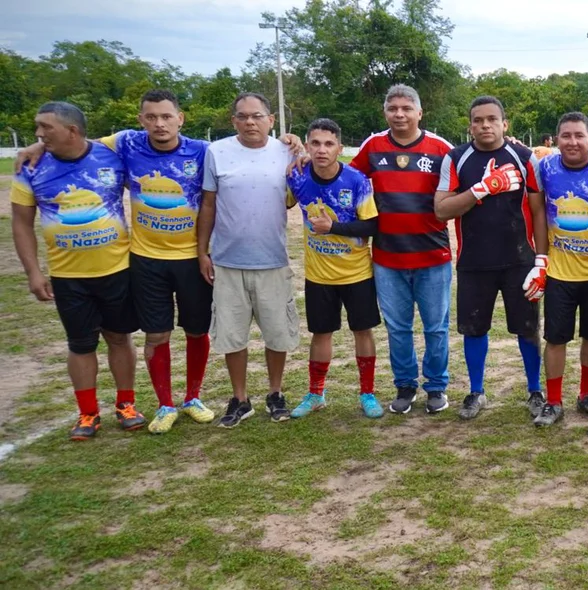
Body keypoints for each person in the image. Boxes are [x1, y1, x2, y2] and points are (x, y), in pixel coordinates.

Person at [13, 90, 220, 434]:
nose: (159, 123)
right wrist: (40, 144)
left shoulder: (202, 151)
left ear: (180, 119)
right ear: (140, 121)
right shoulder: (125, 144)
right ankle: (165, 404)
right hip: (143, 259)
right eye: (151, 117)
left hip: (191, 260)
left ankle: (193, 397)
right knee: (156, 334)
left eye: (167, 116)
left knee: (196, 331)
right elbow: (80, 139)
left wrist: (290, 142)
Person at [11, 102, 140, 441]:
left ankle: (126, 404)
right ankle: (87, 413)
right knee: (80, 344)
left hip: (117, 268)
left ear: (72, 131)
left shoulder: (112, 154)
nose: (39, 133)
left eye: (45, 127)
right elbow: (22, 223)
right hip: (68, 276)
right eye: (38, 128)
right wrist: (33, 273)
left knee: (119, 338)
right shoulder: (31, 168)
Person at [434, 95, 546, 421]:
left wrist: (542, 259)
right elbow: (441, 210)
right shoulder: (455, 159)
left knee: (528, 329)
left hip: (520, 261)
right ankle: (476, 392)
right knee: (474, 329)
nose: (485, 125)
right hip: (474, 260)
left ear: (504, 124)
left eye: (491, 119)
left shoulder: (524, 157)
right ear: (469, 125)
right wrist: (481, 189)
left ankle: (535, 390)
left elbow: (538, 212)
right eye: (478, 120)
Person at [348, 84, 454, 415]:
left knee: (436, 327)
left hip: (432, 257)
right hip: (387, 257)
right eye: (393, 108)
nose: (399, 113)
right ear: (385, 112)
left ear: (420, 113)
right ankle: (405, 386)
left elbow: (464, 188)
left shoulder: (441, 149)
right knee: (398, 328)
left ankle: (436, 386)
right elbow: (346, 180)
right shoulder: (373, 146)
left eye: (407, 108)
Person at [197, 92, 300, 428]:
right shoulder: (218, 152)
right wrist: (203, 251)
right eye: (242, 116)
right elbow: (208, 204)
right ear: (233, 121)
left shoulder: (286, 151)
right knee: (232, 335)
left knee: (277, 333)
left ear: (271, 120)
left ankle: (275, 392)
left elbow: (300, 192)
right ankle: (240, 398)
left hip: (272, 259)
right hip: (228, 261)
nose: (250, 122)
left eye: (257, 116)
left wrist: (300, 147)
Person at [286, 118, 383, 419]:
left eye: (329, 144)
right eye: (315, 143)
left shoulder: (356, 181)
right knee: (321, 333)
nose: (322, 150)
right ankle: (316, 394)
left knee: (362, 331)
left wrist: (333, 228)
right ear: (308, 145)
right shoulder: (297, 176)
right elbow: (281, 201)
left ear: (340, 147)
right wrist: (284, 150)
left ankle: (367, 393)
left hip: (356, 273)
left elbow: (372, 225)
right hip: (318, 275)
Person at [533, 112, 588, 427]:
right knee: (556, 338)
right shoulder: (545, 167)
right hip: (559, 272)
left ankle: (587, 394)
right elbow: (538, 213)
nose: (572, 141)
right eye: (566, 135)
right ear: (556, 141)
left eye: (579, 135)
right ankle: (553, 402)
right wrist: (541, 258)